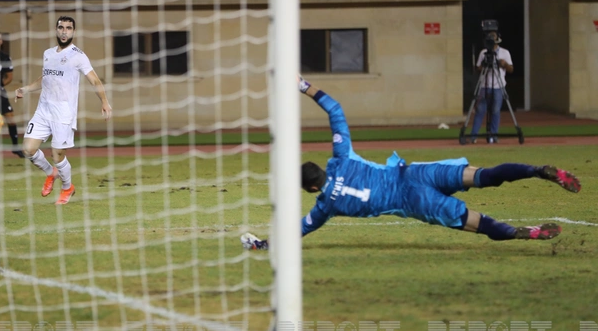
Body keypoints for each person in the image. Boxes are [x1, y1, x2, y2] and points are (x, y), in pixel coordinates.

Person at [240, 77, 580, 251]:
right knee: (485, 176)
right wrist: (301, 85)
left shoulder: (324, 206)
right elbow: (336, 110)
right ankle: (538, 170)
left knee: (474, 222)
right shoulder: (341, 158)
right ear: (323, 168)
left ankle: (525, 233)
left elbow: (298, 230)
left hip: (412, 201)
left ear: (312, 188)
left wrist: (264, 244)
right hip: (414, 172)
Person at [15, 17, 112, 205]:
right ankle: (51, 173)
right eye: (61, 27)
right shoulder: (48, 53)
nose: (64, 31)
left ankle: (67, 187)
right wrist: (25, 89)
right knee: (28, 149)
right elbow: (45, 78)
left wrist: (105, 102)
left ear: (73, 31)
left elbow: (94, 80)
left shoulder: (78, 56)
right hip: (43, 110)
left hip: (63, 113)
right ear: (56, 30)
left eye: (68, 28)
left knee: (57, 155)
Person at [470, 29, 513, 144]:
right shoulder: (483, 53)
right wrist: (485, 64)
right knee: (480, 110)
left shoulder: (505, 53)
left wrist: (504, 64)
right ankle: (473, 136)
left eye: (493, 37)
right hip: (485, 85)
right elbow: (478, 68)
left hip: (498, 86)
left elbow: (511, 69)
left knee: (495, 111)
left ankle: (493, 135)